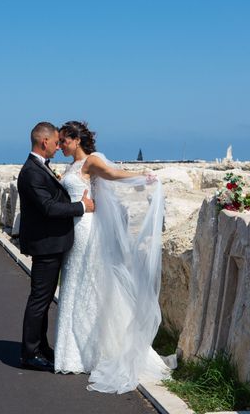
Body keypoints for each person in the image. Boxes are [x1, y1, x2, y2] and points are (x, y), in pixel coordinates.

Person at [54, 121, 169, 393]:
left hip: (86, 229)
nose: (60, 146)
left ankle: (95, 351)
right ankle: (73, 352)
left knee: (90, 284)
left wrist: (142, 174)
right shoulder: (70, 167)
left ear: (76, 139)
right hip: (74, 227)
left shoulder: (92, 161)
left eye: (63, 141)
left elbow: (114, 175)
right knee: (74, 284)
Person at [17, 122, 95, 372]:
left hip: (50, 243)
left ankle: (41, 346)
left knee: (45, 297)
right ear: (44, 142)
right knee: (40, 299)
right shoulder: (31, 172)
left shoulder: (40, 168)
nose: (58, 146)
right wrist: (82, 207)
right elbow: (49, 208)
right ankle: (30, 353)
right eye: (55, 142)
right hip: (45, 245)